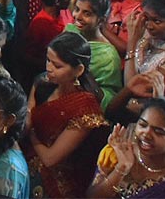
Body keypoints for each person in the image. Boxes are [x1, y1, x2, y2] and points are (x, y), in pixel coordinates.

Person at [27, 31, 109, 198]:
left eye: (57, 66)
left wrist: (32, 135)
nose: (48, 68)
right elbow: (27, 119)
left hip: (60, 175)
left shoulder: (85, 106)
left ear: (78, 70)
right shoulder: (43, 83)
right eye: (48, 60)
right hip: (29, 153)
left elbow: (51, 159)